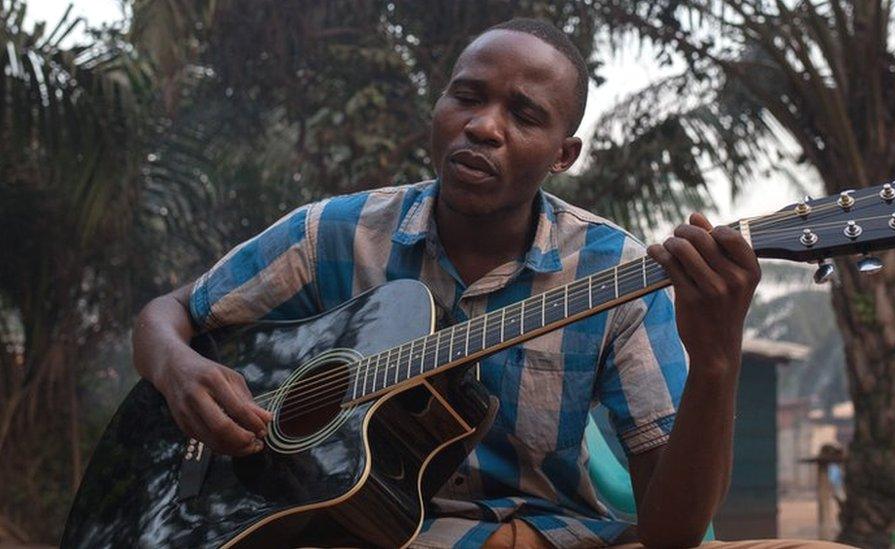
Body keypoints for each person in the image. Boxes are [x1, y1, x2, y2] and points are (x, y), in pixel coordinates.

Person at [133, 18, 850, 549]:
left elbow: (673, 531)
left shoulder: (615, 272)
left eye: (523, 114)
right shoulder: (335, 233)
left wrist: (719, 361)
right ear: (438, 109)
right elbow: (169, 315)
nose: (482, 126)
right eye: (466, 97)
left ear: (564, 153)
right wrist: (180, 368)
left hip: (548, 536)